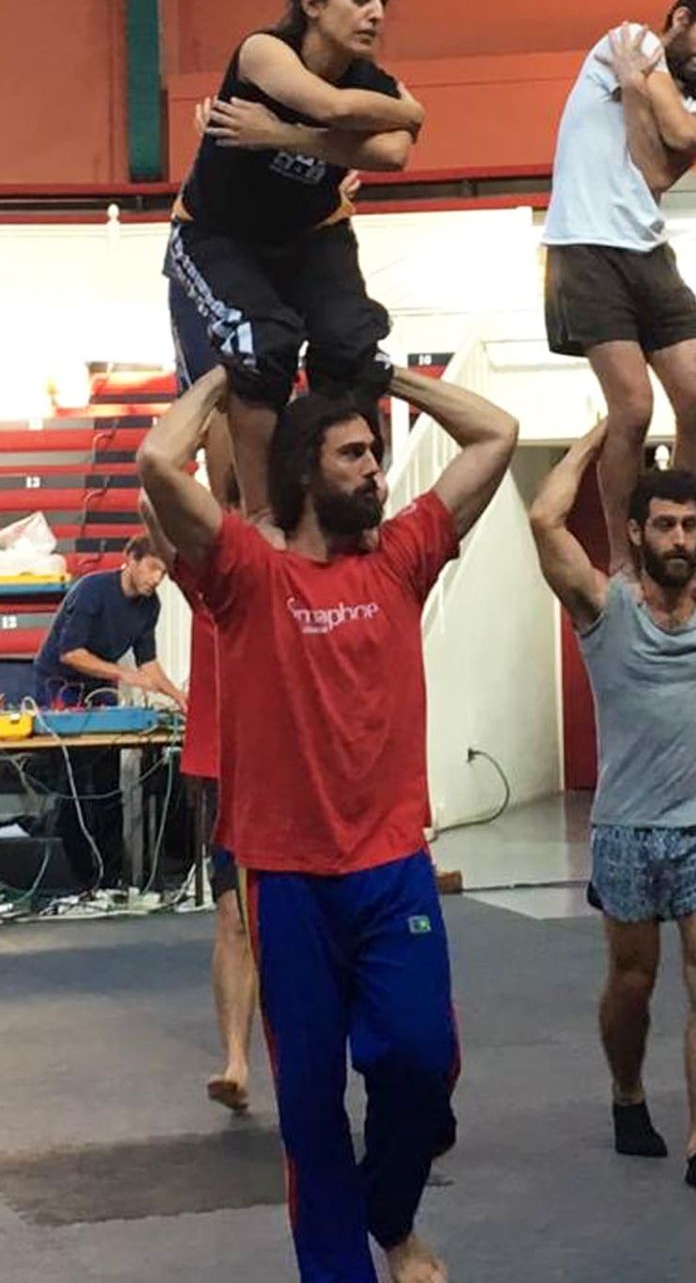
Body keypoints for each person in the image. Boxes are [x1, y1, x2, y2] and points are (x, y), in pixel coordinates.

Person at [137, 359, 520, 1283]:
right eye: (355, 454)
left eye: (378, 455)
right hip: (288, 877)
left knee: (425, 1064)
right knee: (310, 1111)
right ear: (307, 467)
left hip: (390, 867)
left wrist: (387, 376)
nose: (377, 471)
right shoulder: (245, 574)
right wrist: (228, 376)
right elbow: (158, 460)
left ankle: (389, 1211)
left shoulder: (403, 557)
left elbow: (497, 433)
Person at [527, 410, 696, 1201]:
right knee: (632, 981)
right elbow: (545, 518)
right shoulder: (603, 612)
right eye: (665, 525)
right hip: (624, 829)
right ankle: (627, 1094)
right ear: (638, 534)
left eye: (690, 524)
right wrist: (595, 433)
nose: (680, 537)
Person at [164, 0, 424, 514]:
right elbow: (335, 109)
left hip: (311, 237)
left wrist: (283, 136)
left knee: (353, 345)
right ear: (312, 2)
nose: (376, 12)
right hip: (220, 236)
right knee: (261, 344)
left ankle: (339, 506)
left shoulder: (368, 79)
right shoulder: (264, 51)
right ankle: (261, 518)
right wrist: (408, 109)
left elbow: (396, 152)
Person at [543, 0, 696, 576]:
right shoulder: (629, 40)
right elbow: (681, 138)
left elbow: (658, 168)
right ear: (681, 18)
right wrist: (653, 96)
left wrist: (642, 95)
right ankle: (623, 560)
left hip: (648, 249)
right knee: (632, 408)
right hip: (584, 245)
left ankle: (682, 543)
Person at [142, 422, 256, 1114]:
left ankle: (302, 1052)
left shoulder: (280, 564)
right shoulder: (207, 574)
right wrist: (205, 419)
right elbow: (150, 504)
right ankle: (237, 1060)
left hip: (282, 764)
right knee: (232, 921)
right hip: (218, 764)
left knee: (284, 922)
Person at [30, 532, 185, 894]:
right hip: (60, 685)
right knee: (74, 787)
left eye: (162, 573)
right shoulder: (91, 591)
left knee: (108, 786)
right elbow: (71, 653)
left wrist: (179, 696)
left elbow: (148, 664)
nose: (155, 579)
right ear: (130, 559)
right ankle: (81, 880)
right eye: (151, 569)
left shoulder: (151, 606)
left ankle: (111, 880)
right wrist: (123, 674)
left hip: (101, 689)